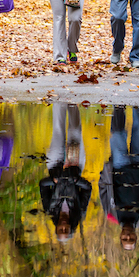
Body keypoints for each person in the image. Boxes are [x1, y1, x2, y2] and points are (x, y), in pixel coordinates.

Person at [98, 105, 139, 252]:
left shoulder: (112, 214)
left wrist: (105, 173)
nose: (128, 236)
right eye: (131, 239)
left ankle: (118, 106)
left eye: (125, 239)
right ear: (135, 236)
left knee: (118, 135)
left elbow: (103, 191)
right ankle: (138, 101)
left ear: (120, 236)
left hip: (119, 167)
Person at [39, 102, 93, 243]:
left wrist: (54, 180)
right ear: (70, 228)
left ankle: (59, 101)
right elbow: (88, 188)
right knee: (75, 131)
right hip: (75, 167)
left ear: (56, 227)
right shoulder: (79, 211)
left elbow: (43, 185)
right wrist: (76, 180)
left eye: (60, 230)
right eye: (66, 230)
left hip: (55, 166)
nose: (63, 227)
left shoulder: (50, 209)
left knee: (58, 131)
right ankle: (72, 103)